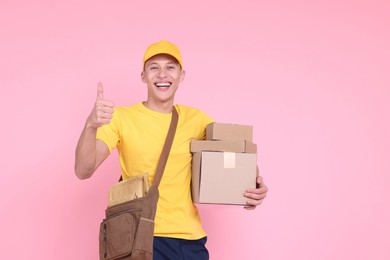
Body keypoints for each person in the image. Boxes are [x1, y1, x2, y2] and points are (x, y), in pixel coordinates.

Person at [75, 40, 268, 260]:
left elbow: (234, 154)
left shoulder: (196, 120)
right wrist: (90, 125)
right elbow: (83, 170)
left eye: (170, 67)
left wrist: (253, 184)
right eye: (154, 67)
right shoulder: (121, 118)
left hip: (190, 241)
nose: (162, 74)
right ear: (143, 76)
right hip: (141, 237)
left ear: (181, 75)